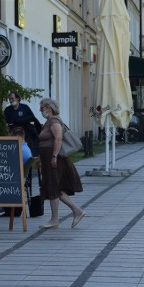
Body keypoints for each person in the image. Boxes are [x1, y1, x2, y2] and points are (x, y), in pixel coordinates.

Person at [37, 98, 85, 229]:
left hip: (54, 159)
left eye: (41, 108)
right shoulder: (48, 122)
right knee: (55, 188)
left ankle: (56, 219)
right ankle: (76, 211)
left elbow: (58, 138)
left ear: (49, 108)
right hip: (48, 158)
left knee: (54, 187)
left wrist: (54, 156)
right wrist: (41, 159)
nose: (40, 110)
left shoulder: (54, 121)